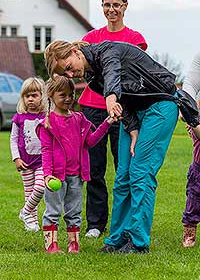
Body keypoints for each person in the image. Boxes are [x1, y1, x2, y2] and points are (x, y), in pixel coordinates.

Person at [43, 39, 179, 254]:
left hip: (160, 106)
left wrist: (110, 98)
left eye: (68, 68)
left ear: (75, 51)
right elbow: (126, 101)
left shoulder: (107, 50)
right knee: (122, 176)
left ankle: (138, 242)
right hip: (135, 115)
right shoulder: (91, 77)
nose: (71, 75)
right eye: (65, 74)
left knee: (140, 173)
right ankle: (117, 239)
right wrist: (133, 130)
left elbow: (113, 73)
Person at [79, 0, 148, 238]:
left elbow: (135, 76)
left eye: (116, 5)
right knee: (95, 169)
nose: (111, 10)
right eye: (107, 5)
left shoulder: (135, 38)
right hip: (92, 110)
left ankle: (127, 222)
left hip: (123, 112)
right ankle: (95, 224)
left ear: (125, 6)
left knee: (125, 169)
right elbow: (87, 74)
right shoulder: (91, 38)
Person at [36, 75, 115, 253]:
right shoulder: (48, 123)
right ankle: (51, 245)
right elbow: (46, 151)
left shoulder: (79, 118)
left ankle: (74, 244)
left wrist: (107, 123)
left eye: (71, 94)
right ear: (51, 96)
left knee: (74, 211)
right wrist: (47, 174)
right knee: (53, 211)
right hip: (56, 176)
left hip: (76, 176)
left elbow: (91, 141)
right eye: (62, 95)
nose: (68, 98)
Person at [10, 77, 46, 232]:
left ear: (42, 96)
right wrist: (16, 158)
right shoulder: (19, 117)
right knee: (29, 191)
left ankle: (24, 211)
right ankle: (31, 221)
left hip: (42, 161)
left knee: (40, 188)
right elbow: (13, 139)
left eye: (34, 95)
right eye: (27, 96)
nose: (30, 99)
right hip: (25, 163)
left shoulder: (46, 116)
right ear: (23, 98)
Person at [182, 53, 200, 247]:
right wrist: (191, 118)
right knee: (194, 203)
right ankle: (189, 233)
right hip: (199, 170)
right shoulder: (197, 123)